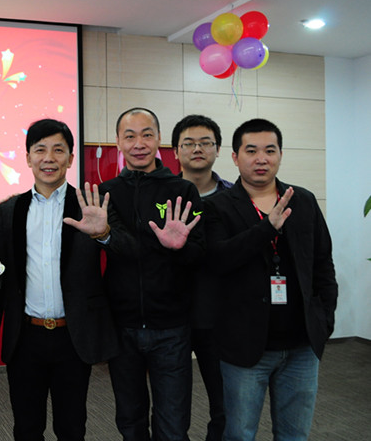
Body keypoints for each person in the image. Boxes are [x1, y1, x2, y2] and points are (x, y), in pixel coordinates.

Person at [0, 118, 119, 440]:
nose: (49, 158)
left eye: (58, 150)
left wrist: (104, 234)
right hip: (25, 338)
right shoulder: (10, 210)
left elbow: (122, 254)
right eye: (40, 149)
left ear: (70, 159)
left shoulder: (89, 206)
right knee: (26, 427)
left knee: (71, 427)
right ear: (28, 157)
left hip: (72, 336)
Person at [204, 118, 338, 441]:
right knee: (240, 434)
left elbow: (322, 264)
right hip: (244, 346)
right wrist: (266, 228)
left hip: (302, 345)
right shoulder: (217, 207)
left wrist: (324, 320)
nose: (261, 158)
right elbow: (219, 261)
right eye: (251, 151)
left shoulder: (302, 201)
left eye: (270, 150)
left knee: (294, 435)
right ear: (235, 157)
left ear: (280, 154)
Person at [77, 107, 204, 441]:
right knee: (130, 421)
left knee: (173, 425)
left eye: (147, 134)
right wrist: (104, 235)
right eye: (130, 136)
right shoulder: (105, 193)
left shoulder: (183, 190)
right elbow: (118, 249)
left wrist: (179, 248)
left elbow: (199, 256)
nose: (139, 143)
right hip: (123, 326)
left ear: (159, 139)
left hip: (172, 326)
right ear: (118, 141)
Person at [172, 114, 232, 441]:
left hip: (220, 315)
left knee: (225, 403)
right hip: (171, 315)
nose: (197, 149)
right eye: (189, 143)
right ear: (175, 151)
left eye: (205, 143)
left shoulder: (235, 197)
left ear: (218, 149)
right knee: (171, 405)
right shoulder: (162, 195)